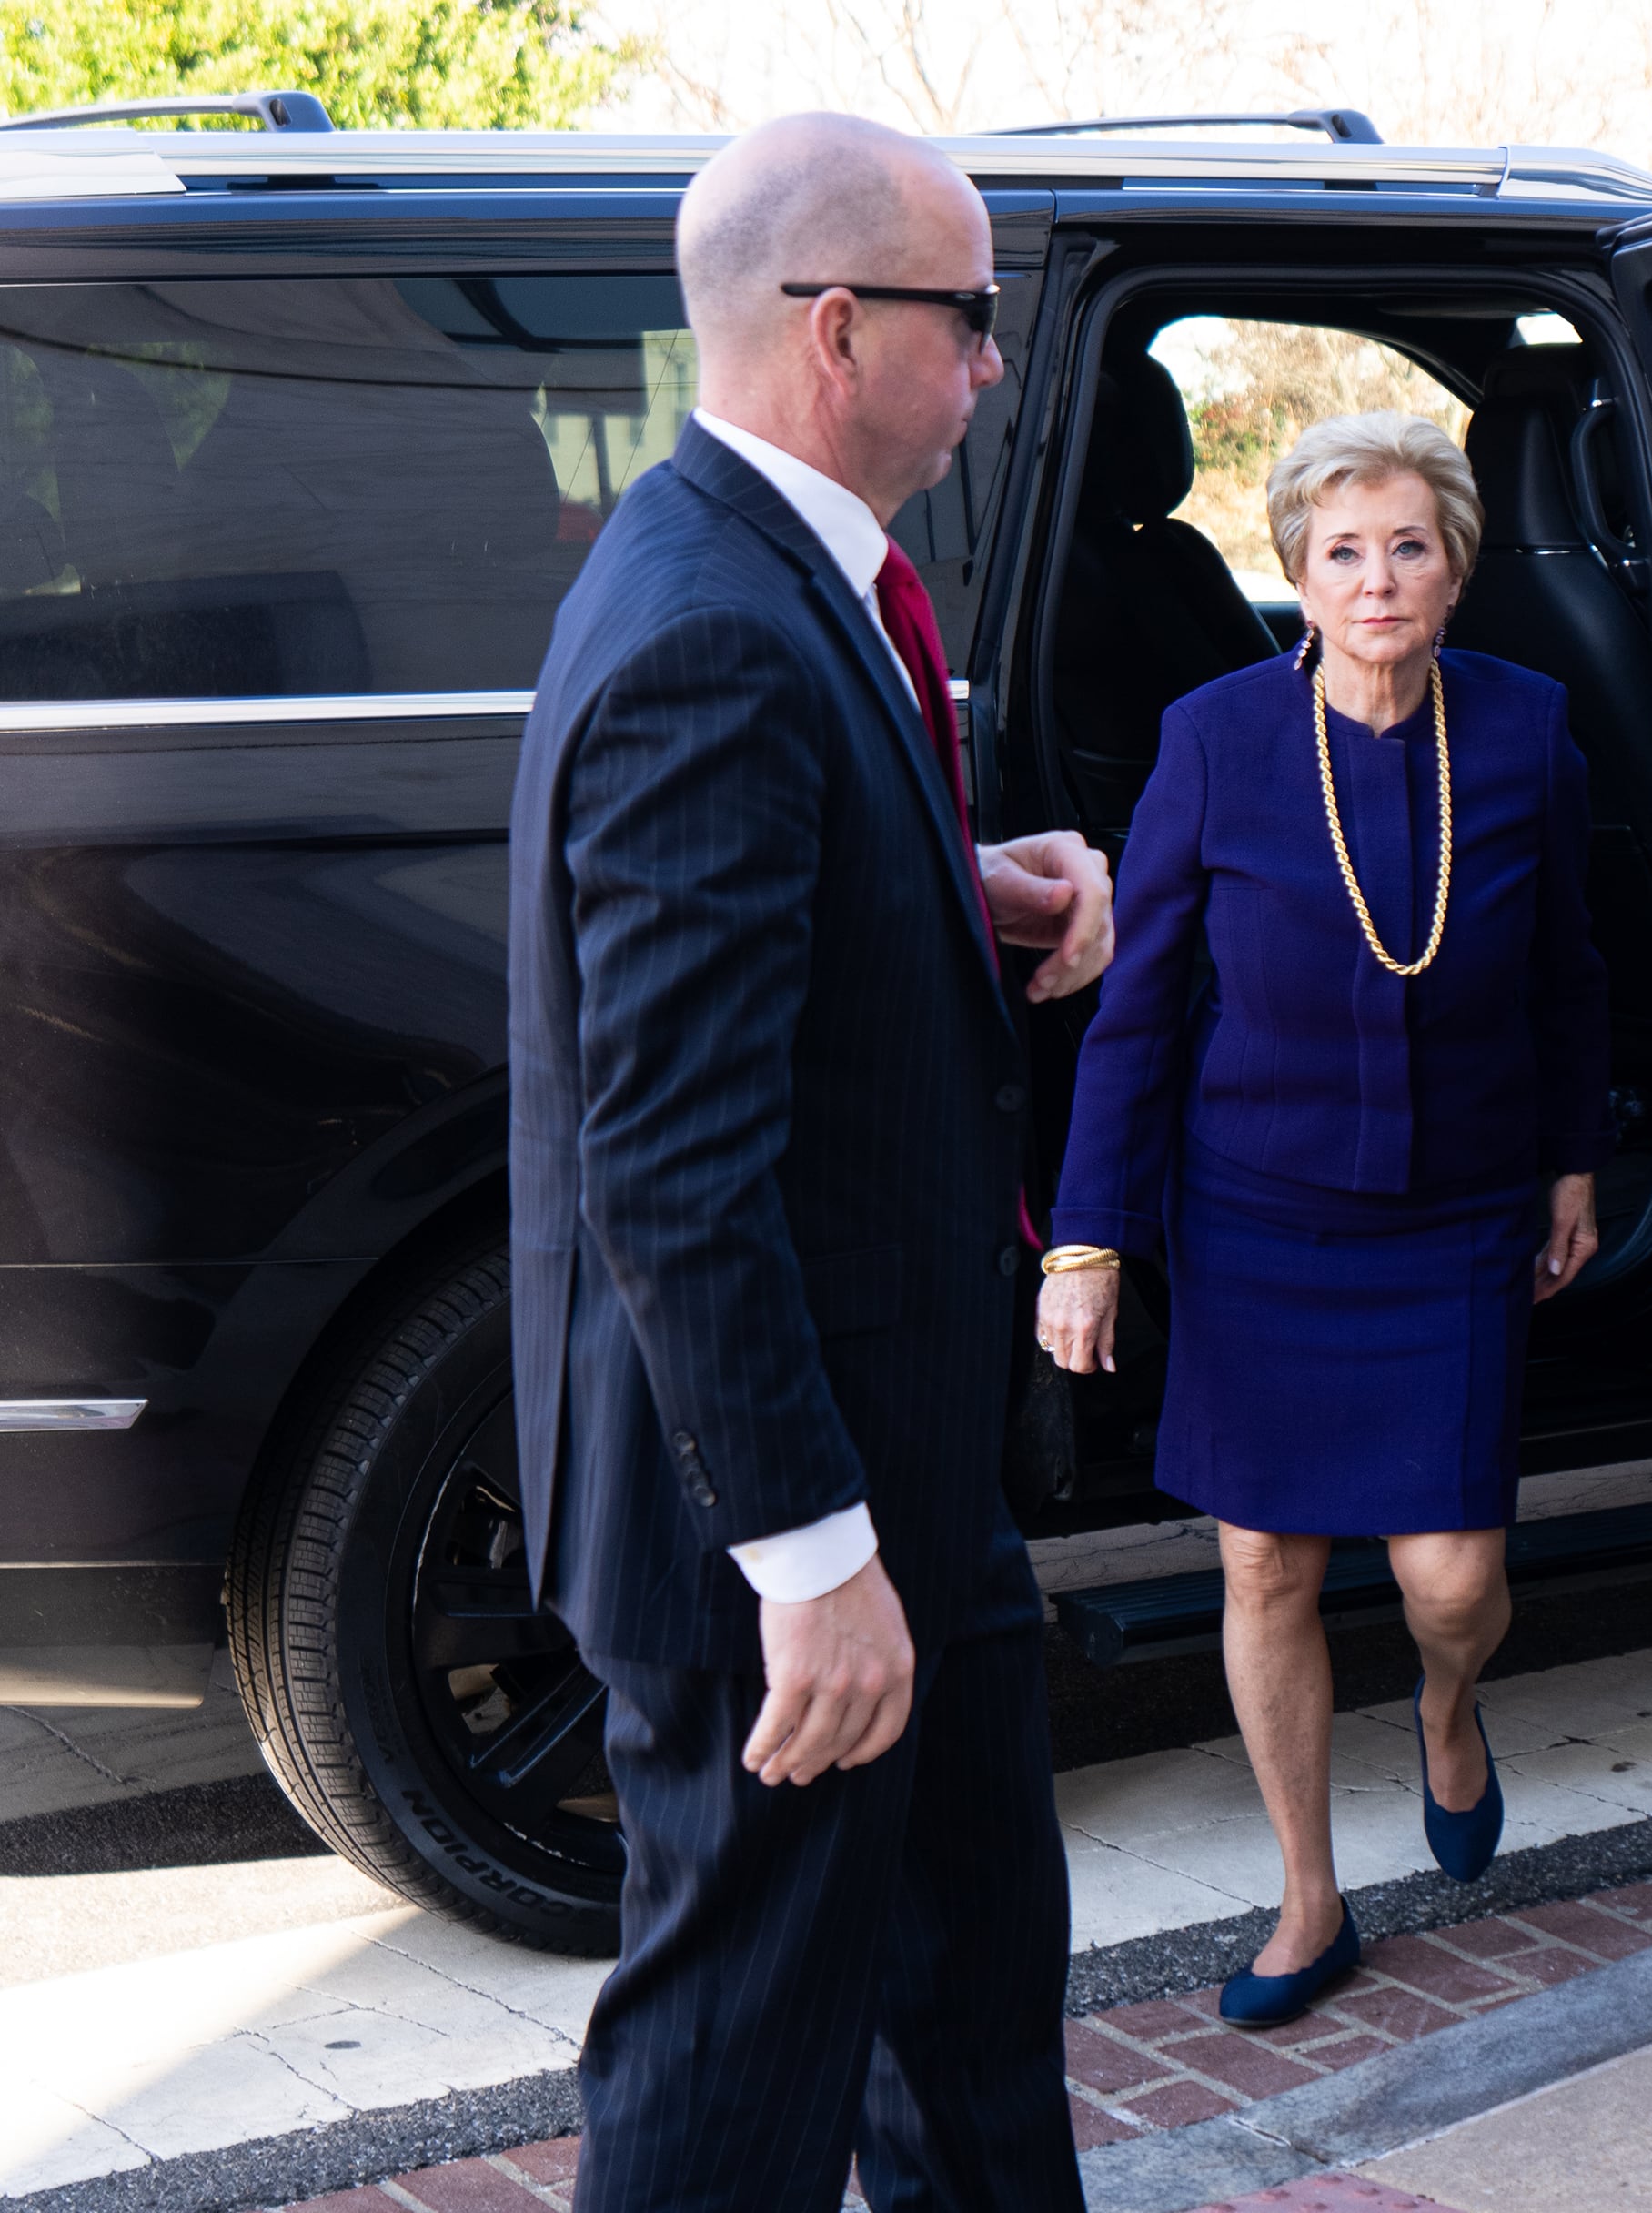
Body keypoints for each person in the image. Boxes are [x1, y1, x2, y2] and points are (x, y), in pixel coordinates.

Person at [506, 114, 1113, 2211]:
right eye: (971, 319)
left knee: (964, 2029)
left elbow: (779, 933)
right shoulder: (709, 622)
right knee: (729, 2088)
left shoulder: (788, 578)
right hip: (783, 1542)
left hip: (900, 1487)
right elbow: (669, 1160)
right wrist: (811, 1562)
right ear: (838, 326)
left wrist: (971, 890)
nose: (997, 364)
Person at [1036, 410, 1612, 2030]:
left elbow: (1569, 972)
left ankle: (1445, 1703)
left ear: (1455, 565)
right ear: (1291, 567)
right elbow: (1137, 1009)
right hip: (1256, 1213)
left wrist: (1574, 1161)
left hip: (1456, 1214)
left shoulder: (1525, 728)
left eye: (1408, 544)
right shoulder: (1215, 739)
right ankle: (1306, 1894)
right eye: (1341, 549)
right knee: (1264, 1563)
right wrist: (1088, 1235)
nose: (1375, 580)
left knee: (1447, 1577)